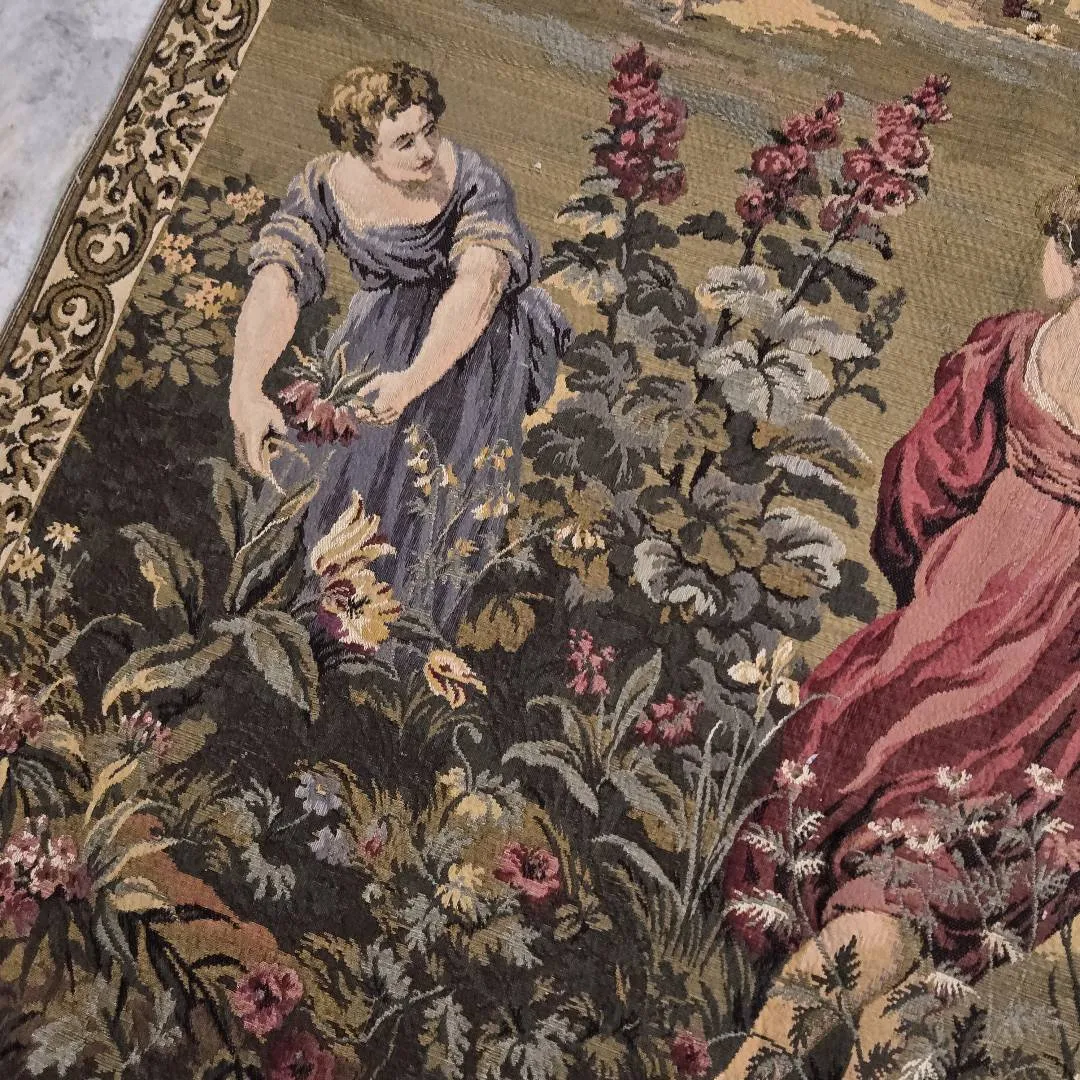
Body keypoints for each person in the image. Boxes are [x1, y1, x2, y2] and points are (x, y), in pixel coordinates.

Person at [719, 178, 1080, 1077]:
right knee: (947, 892)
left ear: (1067, 257)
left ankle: (758, 1060)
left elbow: (921, 487)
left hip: (959, 626)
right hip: (1061, 680)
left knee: (901, 854)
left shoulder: (1019, 348)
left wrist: (937, 589)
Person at [228, 62, 569, 639]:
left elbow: (479, 282)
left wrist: (413, 380)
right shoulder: (326, 183)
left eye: (428, 130)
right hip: (378, 336)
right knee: (334, 474)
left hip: (470, 348)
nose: (426, 151)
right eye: (404, 141)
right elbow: (279, 276)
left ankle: (399, 649)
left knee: (429, 497)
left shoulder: (471, 178)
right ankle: (302, 628)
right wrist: (245, 387)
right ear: (364, 150)